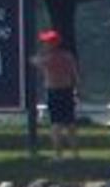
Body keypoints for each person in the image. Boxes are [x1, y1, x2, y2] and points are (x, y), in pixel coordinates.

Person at [31, 29, 81, 158]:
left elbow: (33, 61)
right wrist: (77, 91)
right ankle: (75, 154)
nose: (43, 45)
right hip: (68, 91)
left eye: (45, 42)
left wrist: (40, 54)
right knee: (70, 124)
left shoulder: (47, 59)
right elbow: (75, 76)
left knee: (56, 125)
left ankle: (58, 155)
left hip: (54, 92)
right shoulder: (68, 56)